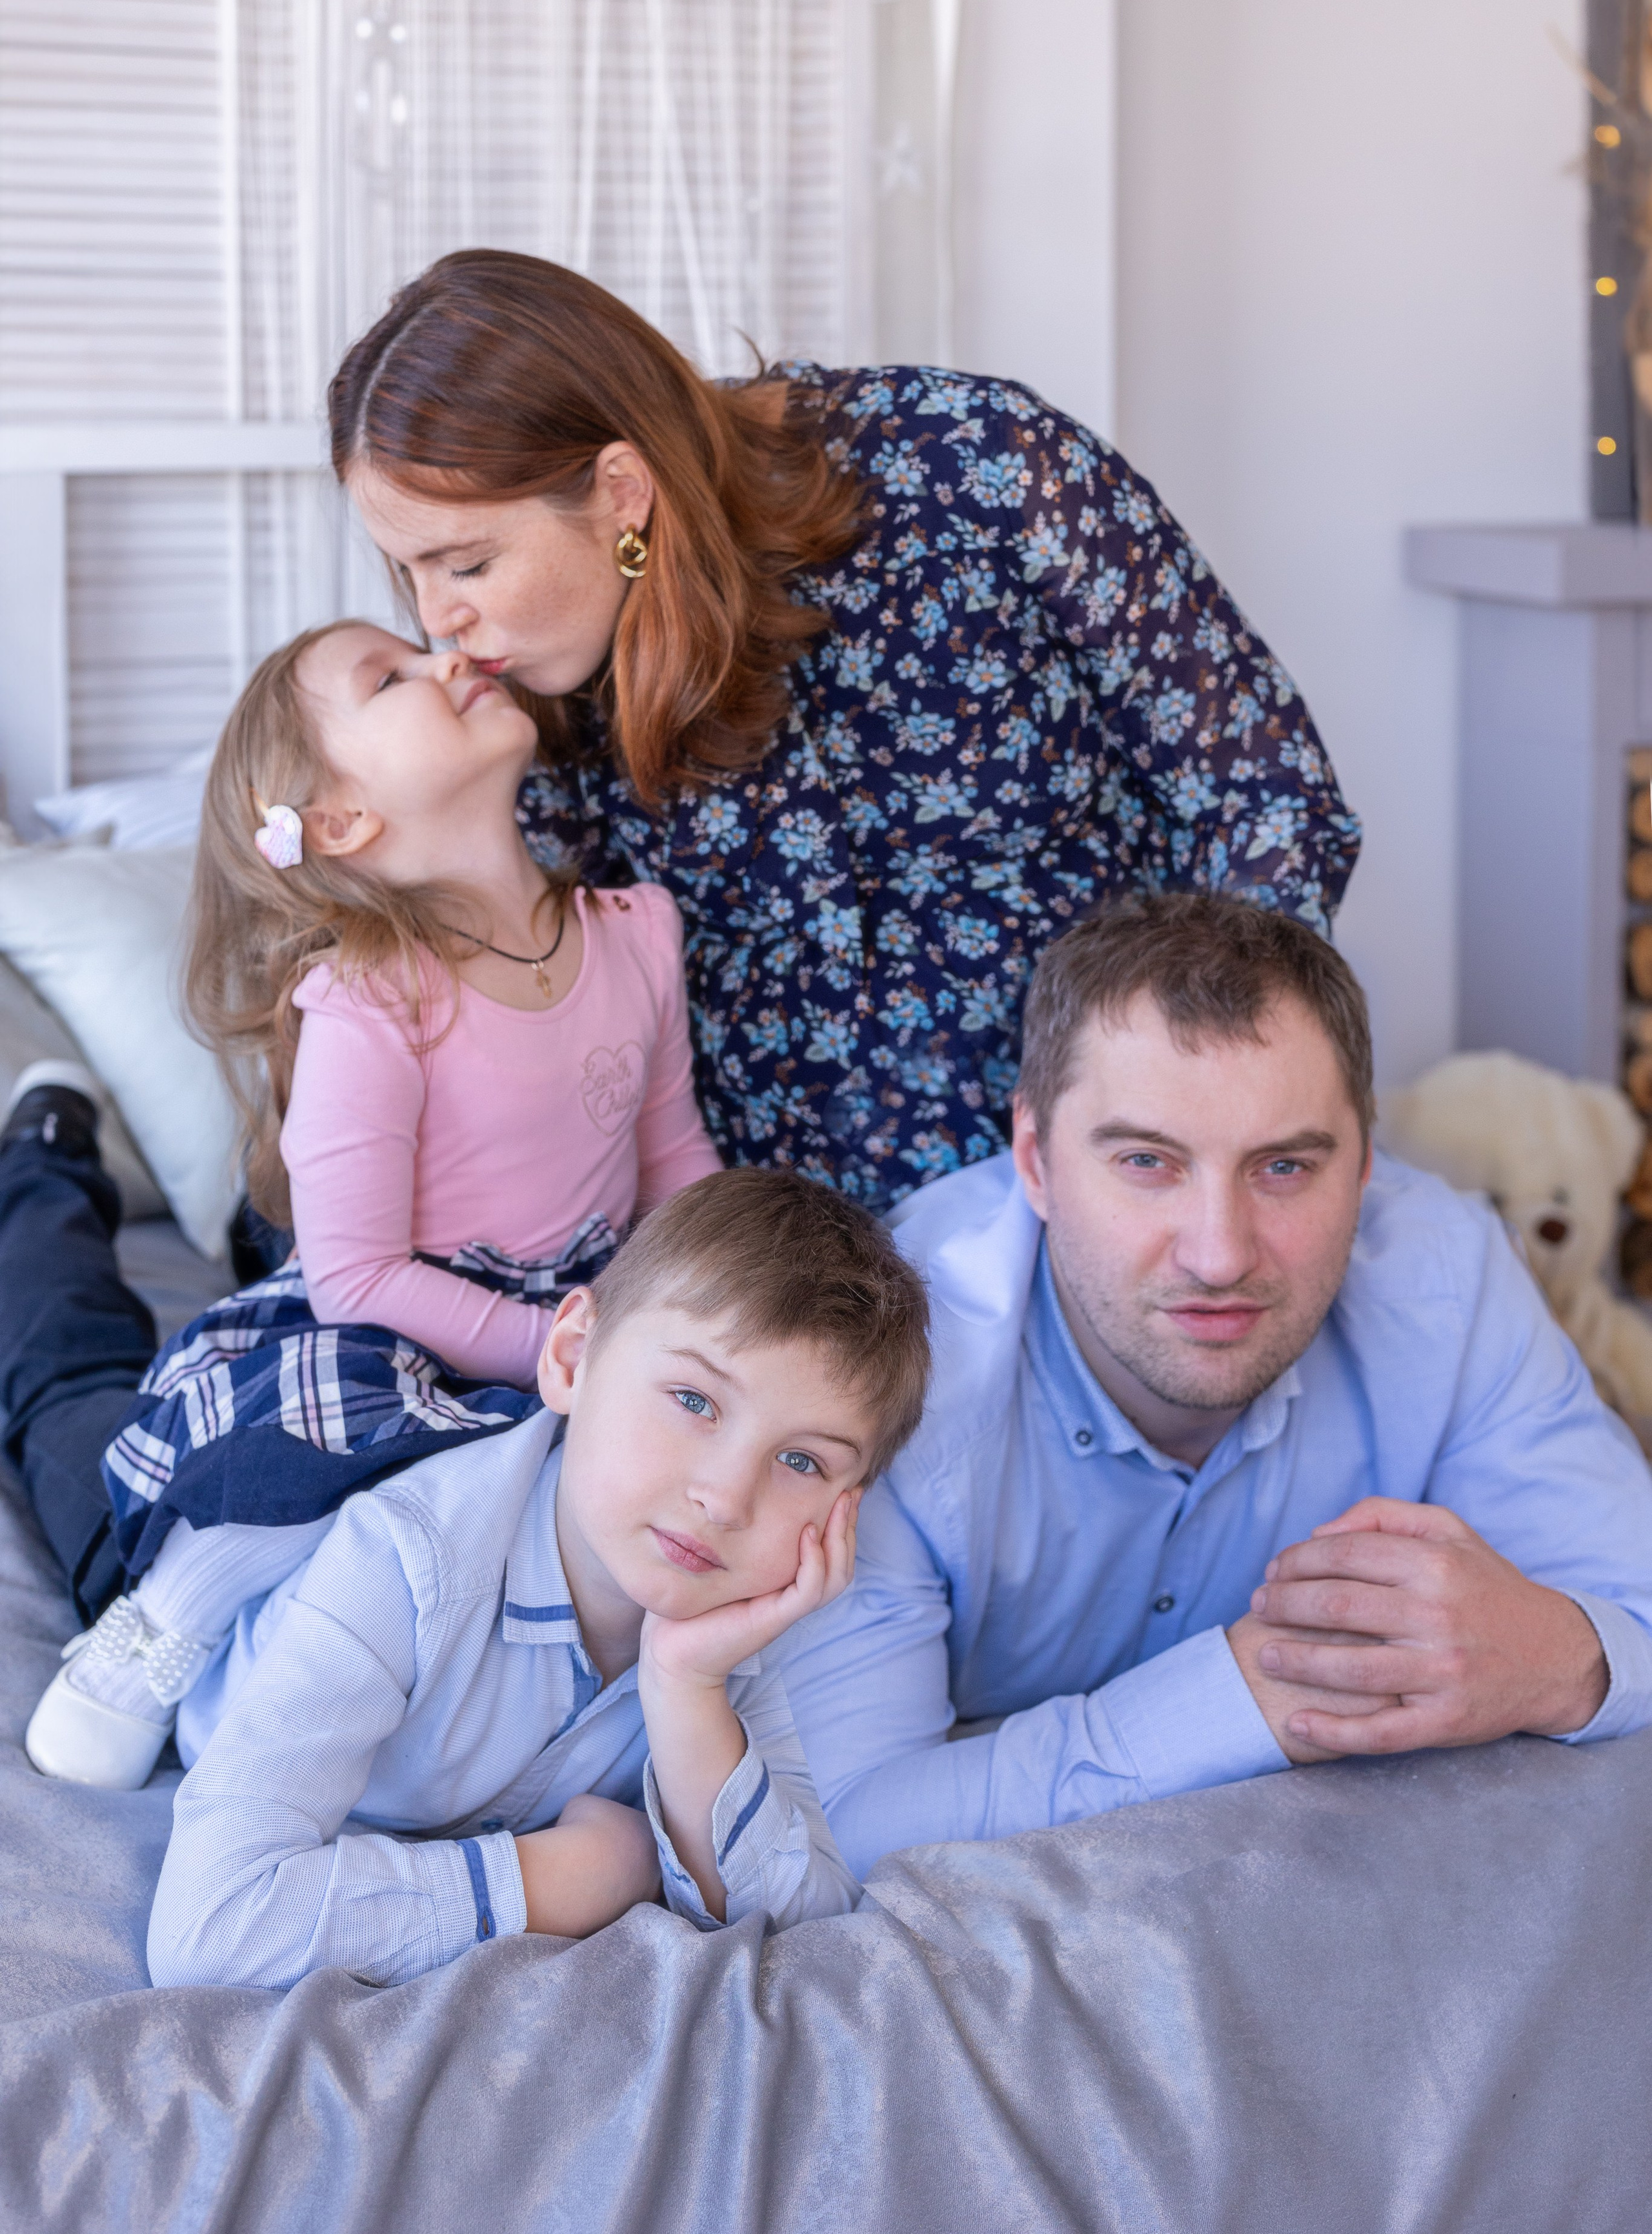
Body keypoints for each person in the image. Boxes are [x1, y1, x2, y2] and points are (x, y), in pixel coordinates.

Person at [329, 250, 1362, 1210]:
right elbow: (540, 994)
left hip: (1098, 1198)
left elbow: (1261, 791)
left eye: (466, 565)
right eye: (408, 569)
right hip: (779, 1276)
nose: (435, 622)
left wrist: (1196, 1123)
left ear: (620, 493)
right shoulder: (519, 692)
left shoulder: (979, 466)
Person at [773, 895, 1652, 1876]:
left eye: (1283, 1168)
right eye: (1147, 1162)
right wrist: (1239, 1697)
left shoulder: (1445, 1277)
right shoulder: (887, 1358)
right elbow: (831, 1827)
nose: (1220, 1256)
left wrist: (1562, 1656)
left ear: (1364, 1166)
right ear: (1035, 1162)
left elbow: (1638, 1612)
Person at [17, 614, 721, 1790]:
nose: (453, 653)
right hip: (395, 1325)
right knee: (318, 1464)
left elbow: (676, 1163)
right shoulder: (371, 996)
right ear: (340, 820)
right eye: (392, 674)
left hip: (574, 1322)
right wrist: (558, 1350)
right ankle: (161, 1617)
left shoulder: (635, 935)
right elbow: (355, 1278)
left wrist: (708, 1315)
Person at [146, 1171, 930, 1992]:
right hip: (221, 1492)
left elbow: (810, 1940)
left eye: (801, 1461)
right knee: (61, 1385)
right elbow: (211, 1930)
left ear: (848, 1509)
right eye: (694, 1399)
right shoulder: (405, 1560)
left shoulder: (730, 1630)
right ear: (571, 1359)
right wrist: (560, 1877)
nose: (727, 1500)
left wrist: (686, 1686)